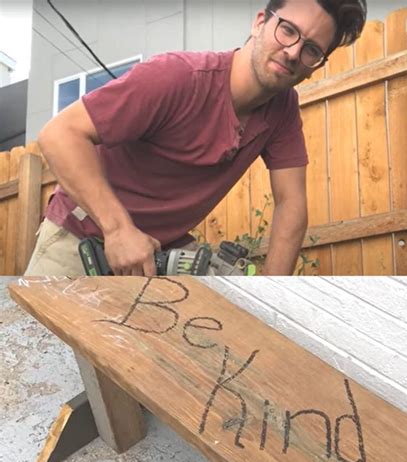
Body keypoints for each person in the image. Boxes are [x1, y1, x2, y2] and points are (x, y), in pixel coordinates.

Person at [25, 0, 366, 277]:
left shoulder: (282, 109)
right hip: (80, 238)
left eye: (311, 50)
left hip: (159, 252)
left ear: (317, 66)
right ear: (260, 22)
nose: (293, 52)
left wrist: (270, 297)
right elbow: (58, 134)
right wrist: (117, 230)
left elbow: (291, 204)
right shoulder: (176, 77)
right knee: (47, 359)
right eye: (288, 30)